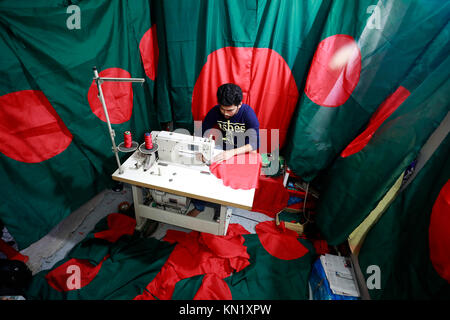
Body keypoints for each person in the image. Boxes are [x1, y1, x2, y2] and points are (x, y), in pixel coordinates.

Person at [187, 83, 260, 217]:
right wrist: (201, 149)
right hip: (223, 147)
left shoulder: (248, 113)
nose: (226, 114)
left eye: (230, 110)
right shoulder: (215, 111)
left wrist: (231, 153)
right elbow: (201, 132)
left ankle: (221, 210)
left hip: (242, 151)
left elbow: (255, 144)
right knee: (201, 171)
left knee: (228, 181)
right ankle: (199, 205)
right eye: (223, 109)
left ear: (239, 104)